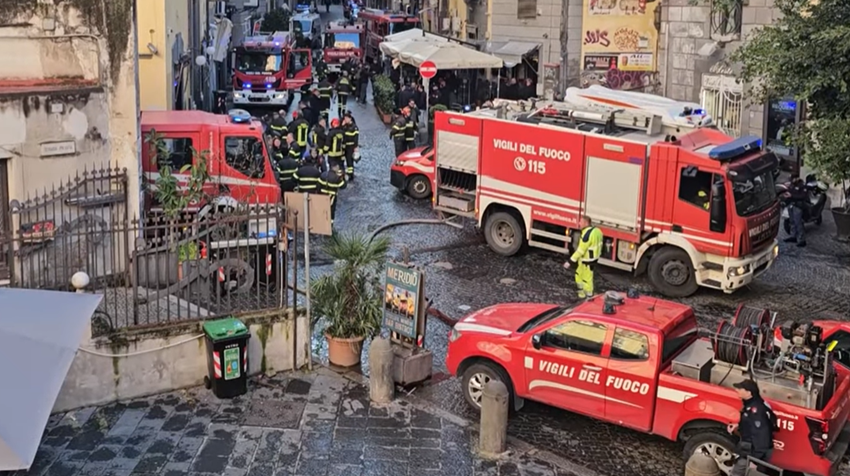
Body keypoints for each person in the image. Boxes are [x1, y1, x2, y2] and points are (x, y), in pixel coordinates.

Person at [728, 380, 776, 476]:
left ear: (749, 392)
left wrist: (755, 460)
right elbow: (753, 423)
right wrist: (738, 425)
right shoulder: (754, 403)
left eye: (740, 389)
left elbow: (762, 438)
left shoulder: (757, 411)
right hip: (751, 450)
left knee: (736, 473)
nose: (737, 390)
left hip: (752, 453)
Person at [563, 216, 603, 299]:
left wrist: (570, 261)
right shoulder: (597, 231)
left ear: (586, 223)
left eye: (580, 222)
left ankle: (588, 297)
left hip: (586, 260)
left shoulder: (586, 235)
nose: (579, 224)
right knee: (580, 275)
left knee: (586, 279)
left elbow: (580, 251)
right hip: (592, 259)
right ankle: (583, 295)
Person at [784, 175, 807, 247]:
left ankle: (801, 240)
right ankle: (793, 236)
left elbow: (802, 196)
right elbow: (790, 192)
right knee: (792, 222)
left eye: (793, 179)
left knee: (798, 223)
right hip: (791, 205)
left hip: (798, 206)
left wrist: (792, 196)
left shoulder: (802, 186)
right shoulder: (791, 185)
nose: (792, 180)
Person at [342, 111, 359, 180]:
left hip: (350, 147)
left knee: (349, 161)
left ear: (350, 119)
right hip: (344, 146)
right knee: (344, 159)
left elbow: (356, 138)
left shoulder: (354, 127)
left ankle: (351, 174)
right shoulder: (344, 126)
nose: (345, 120)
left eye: (346, 118)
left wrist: (355, 147)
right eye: (344, 118)